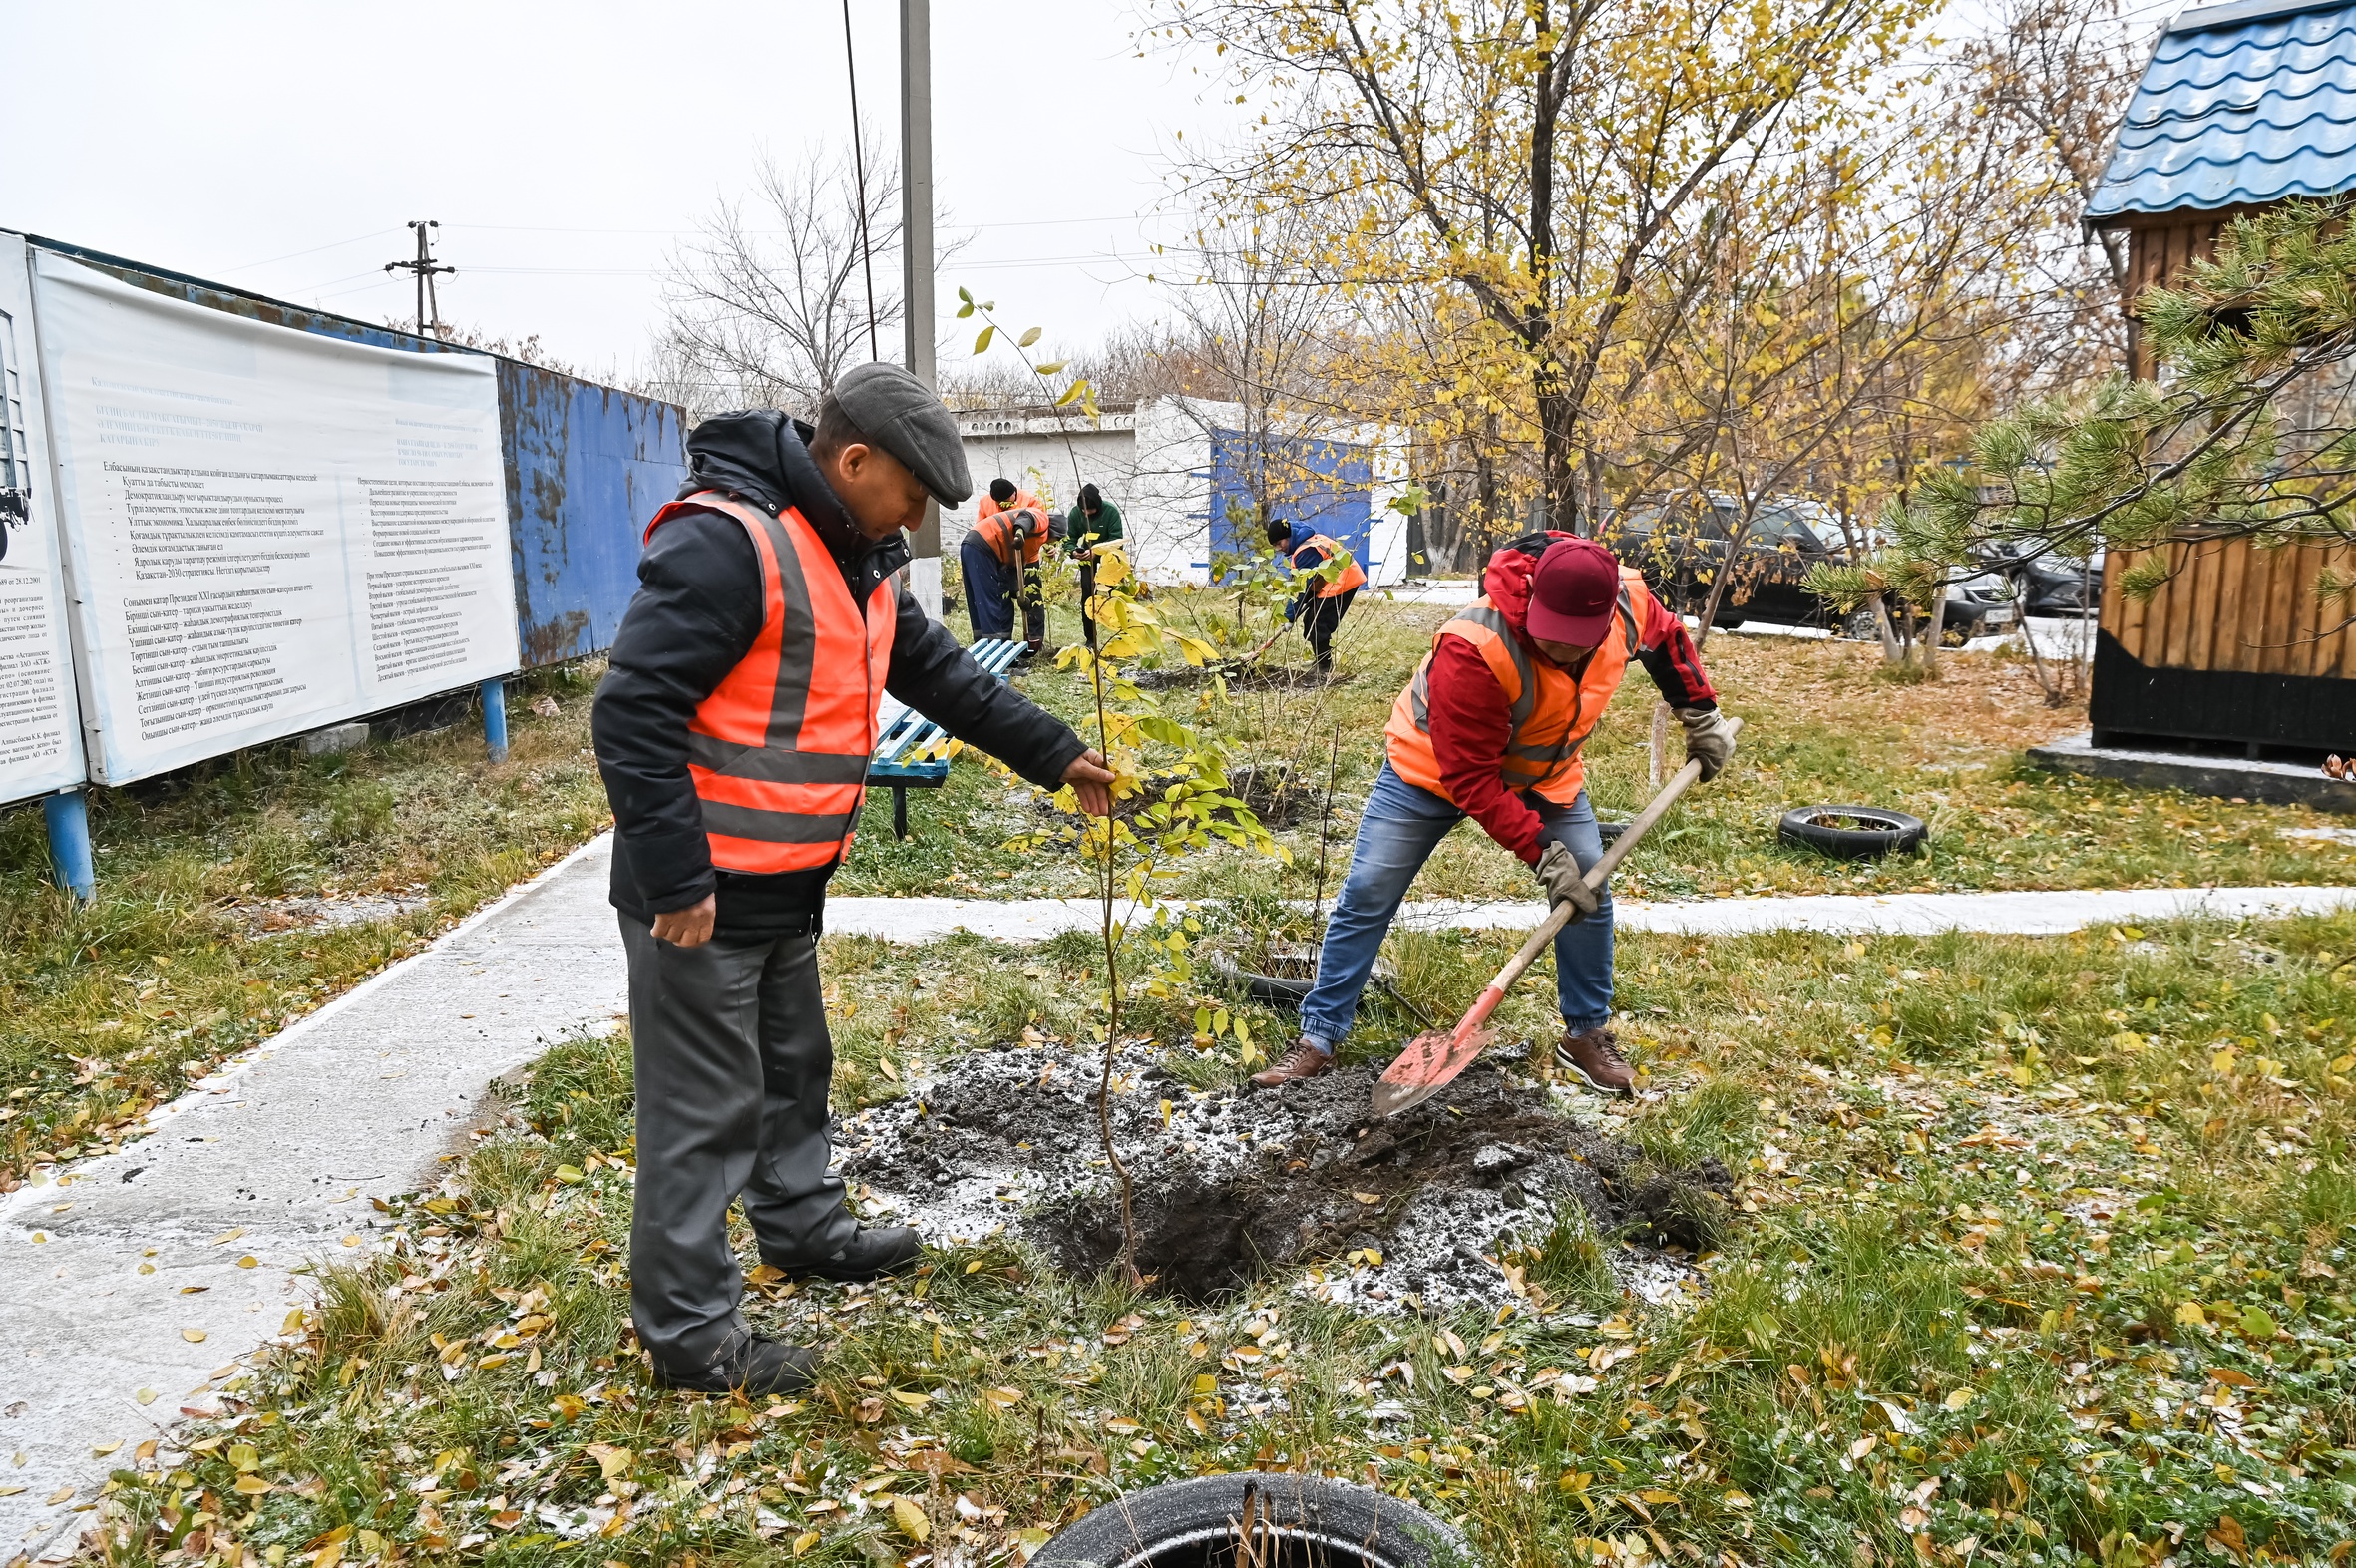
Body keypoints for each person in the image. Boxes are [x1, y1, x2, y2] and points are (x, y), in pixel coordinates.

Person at [592, 366, 1115, 1396]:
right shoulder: (727, 541)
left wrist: (1055, 753)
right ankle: (692, 1339)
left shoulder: (861, 562)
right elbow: (631, 714)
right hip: (701, 896)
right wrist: (676, 878)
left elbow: (942, 677)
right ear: (853, 460)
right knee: (704, 1114)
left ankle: (802, 1227)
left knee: (793, 1072)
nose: (918, 515)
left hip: (788, 883)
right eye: (911, 490)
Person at [1252, 532, 1736, 1095]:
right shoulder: (1473, 645)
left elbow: (1669, 638)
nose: (1567, 653)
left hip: (1546, 775)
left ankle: (1585, 1034)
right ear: (1532, 605)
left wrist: (1699, 713)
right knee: (1368, 891)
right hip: (1431, 773)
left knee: (1589, 886)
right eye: (1554, 638)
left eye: (1581, 641)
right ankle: (1318, 1037)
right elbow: (1472, 780)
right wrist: (1539, 854)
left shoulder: (1627, 600)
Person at [961, 478, 1059, 653]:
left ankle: (1033, 642)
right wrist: (1018, 532)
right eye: (999, 503)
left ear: (1014, 492)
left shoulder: (1030, 500)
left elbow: (1036, 519)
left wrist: (1045, 545)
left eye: (1007, 500)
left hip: (1025, 557)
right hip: (995, 553)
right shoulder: (986, 502)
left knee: (1032, 598)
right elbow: (983, 526)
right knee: (997, 599)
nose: (1003, 505)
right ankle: (994, 647)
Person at [1269, 516, 1367, 674]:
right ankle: (1320, 660)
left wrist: (1289, 616)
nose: (1279, 548)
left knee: (1317, 622)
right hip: (1331, 580)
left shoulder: (1306, 550)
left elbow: (1301, 588)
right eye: (1275, 546)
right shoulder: (1306, 542)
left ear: (1287, 537)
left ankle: (1324, 667)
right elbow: (1307, 583)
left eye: (1279, 543)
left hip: (1342, 580)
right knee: (1310, 621)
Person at [1067, 483, 1125, 647]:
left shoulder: (1111, 511)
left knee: (1115, 596)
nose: (1086, 513)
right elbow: (1069, 539)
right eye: (1084, 511)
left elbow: (1117, 540)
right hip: (1087, 559)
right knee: (1087, 597)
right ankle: (1091, 639)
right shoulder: (1075, 514)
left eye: (1090, 511)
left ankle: (1121, 634)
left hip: (1110, 557)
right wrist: (1073, 552)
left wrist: (1098, 551)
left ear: (1098, 506)